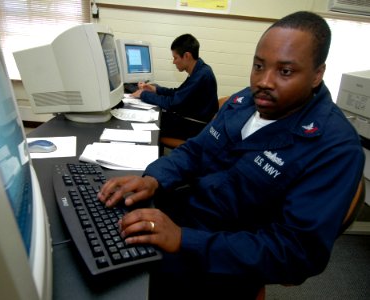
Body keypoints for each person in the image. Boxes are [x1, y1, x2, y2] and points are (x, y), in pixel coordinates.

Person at [98, 11, 365, 299]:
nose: (264, 81)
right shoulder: (243, 102)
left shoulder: (334, 147)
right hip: (182, 214)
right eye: (259, 66)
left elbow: (297, 252)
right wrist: (153, 179)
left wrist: (184, 240)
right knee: (97, 227)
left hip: (221, 259)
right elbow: (196, 150)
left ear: (317, 74)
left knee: (109, 283)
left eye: (285, 71)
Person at [131, 33, 218, 140]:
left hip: (195, 127)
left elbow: (173, 103)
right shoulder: (200, 70)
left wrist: (143, 94)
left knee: (147, 124)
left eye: (175, 57)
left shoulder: (201, 75)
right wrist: (156, 89)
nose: (173, 62)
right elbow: (178, 93)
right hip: (191, 120)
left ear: (186, 56)